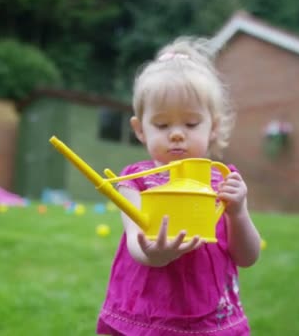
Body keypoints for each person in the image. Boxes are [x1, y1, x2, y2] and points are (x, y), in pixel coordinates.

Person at [96, 36, 261, 335]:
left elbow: (247, 257)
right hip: (148, 316)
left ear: (214, 126)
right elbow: (136, 243)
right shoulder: (134, 182)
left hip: (213, 315)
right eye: (162, 125)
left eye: (190, 123)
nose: (176, 135)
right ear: (140, 129)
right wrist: (155, 253)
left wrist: (238, 214)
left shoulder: (224, 181)